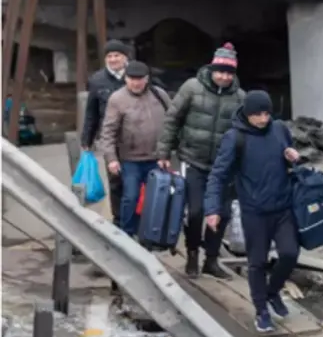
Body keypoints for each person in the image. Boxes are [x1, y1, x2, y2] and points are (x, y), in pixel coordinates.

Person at [205, 90, 300, 333]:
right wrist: (213, 208)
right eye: (257, 114)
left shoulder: (279, 129)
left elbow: (289, 158)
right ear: (247, 114)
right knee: (257, 262)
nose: (263, 119)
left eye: (267, 113)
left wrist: (293, 158)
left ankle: (272, 292)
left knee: (289, 254)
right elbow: (218, 175)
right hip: (254, 211)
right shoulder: (235, 138)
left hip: (283, 206)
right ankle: (261, 310)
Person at [156, 42, 245, 279]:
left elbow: (245, 133)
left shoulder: (239, 97)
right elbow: (172, 120)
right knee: (195, 212)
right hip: (192, 159)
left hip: (223, 166)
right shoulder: (192, 88)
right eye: (220, 71)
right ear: (212, 69)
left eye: (229, 73)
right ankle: (193, 253)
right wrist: (164, 152)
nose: (224, 77)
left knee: (222, 213)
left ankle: (212, 259)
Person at [97, 61, 171, 236]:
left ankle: (154, 233)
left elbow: (172, 122)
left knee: (159, 197)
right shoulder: (117, 98)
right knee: (131, 196)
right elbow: (108, 131)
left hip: (157, 157)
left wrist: (168, 151)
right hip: (130, 159)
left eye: (140, 79)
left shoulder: (159, 95)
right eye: (131, 79)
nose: (136, 83)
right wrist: (111, 158)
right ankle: (127, 234)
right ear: (126, 79)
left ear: (147, 79)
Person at [81, 39, 132, 221]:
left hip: (135, 139)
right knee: (116, 181)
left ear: (125, 57)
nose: (113, 59)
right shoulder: (97, 80)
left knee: (135, 181)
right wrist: (87, 139)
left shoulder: (135, 76)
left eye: (117, 55)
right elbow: (91, 112)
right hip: (110, 139)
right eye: (109, 56)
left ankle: (137, 218)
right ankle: (119, 220)